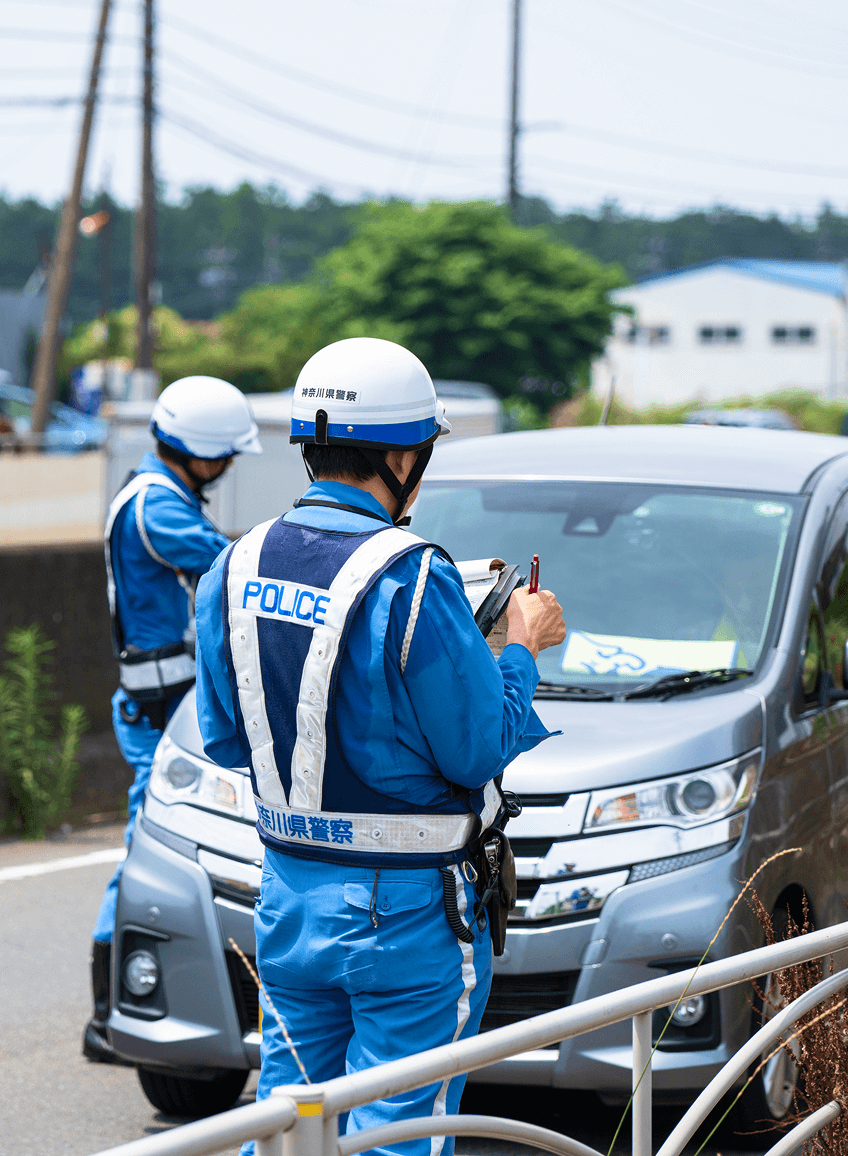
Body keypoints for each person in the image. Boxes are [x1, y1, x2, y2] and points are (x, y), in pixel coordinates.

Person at [194, 338, 566, 1156]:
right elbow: (477, 750)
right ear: (403, 455)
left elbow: (227, 736)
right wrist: (520, 650)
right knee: (400, 1133)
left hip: (288, 895)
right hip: (405, 914)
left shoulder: (232, 563)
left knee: (290, 1125)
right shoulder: (414, 577)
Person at [83, 375, 262, 1063]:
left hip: (158, 701)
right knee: (145, 847)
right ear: (199, 451)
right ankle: (109, 1013)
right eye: (225, 455)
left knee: (152, 841)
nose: (227, 468)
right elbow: (229, 566)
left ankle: (114, 1009)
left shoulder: (155, 492)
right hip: (157, 708)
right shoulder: (160, 508)